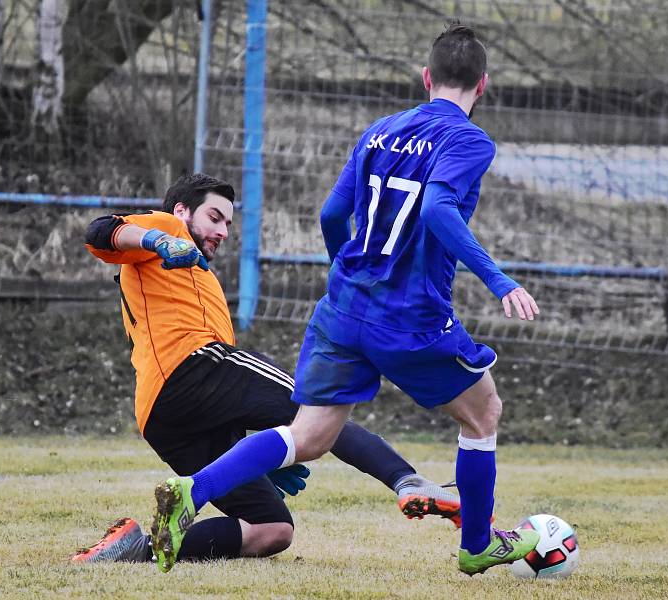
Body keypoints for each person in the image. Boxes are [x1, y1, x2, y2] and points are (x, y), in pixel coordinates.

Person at [148, 24, 543, 577]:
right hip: (410, 316)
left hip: (342, 310)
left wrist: (347, 271)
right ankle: (477, 544)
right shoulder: (470, 140)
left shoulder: (380, 131)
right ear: (484, 86)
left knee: (308, 437)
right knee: (483, 415)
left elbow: (332, 216)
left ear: (426, 78)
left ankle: (192, 491)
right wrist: (500, 281)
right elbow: (435, 210)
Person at [73, 173, 461, 566]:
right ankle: (408, 481)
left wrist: (257, 458)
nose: (223, 230)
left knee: (272, 529)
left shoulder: (192, 273)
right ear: (181, 211)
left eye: (228, 222)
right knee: (319, 411)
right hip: (193, 366)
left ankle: (136, 551)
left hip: (164, 416)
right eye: (214, 217)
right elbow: (100, 231)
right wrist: (158, 238)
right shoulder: (167, 226)